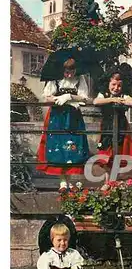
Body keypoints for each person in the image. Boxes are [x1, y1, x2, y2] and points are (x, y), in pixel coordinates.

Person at [37, 58, 90, 190]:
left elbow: (84, 97)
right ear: (62, 70)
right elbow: (47, 96)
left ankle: (71, 180)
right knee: (58, 145)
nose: (69, 75)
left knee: (73, 145)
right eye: (66, 72)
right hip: (57, 116)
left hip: (73, 116)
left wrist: (69, 96)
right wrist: (56, 98)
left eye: (72, 72)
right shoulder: (55, 79)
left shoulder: (80, 79)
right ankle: (62, 181)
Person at [93, 68, 132, 189]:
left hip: (121, 126)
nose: (116, 88)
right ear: (108, 83)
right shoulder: (104, 94)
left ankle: (110, 182)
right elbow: (96, 101)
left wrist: (123, 100)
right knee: (105, 154)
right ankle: (110, 181)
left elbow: (131, 102)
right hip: (107, 126)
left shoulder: (124, 95)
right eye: (113, 84)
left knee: (119, 153)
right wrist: (112, 99)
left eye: (119, 85)